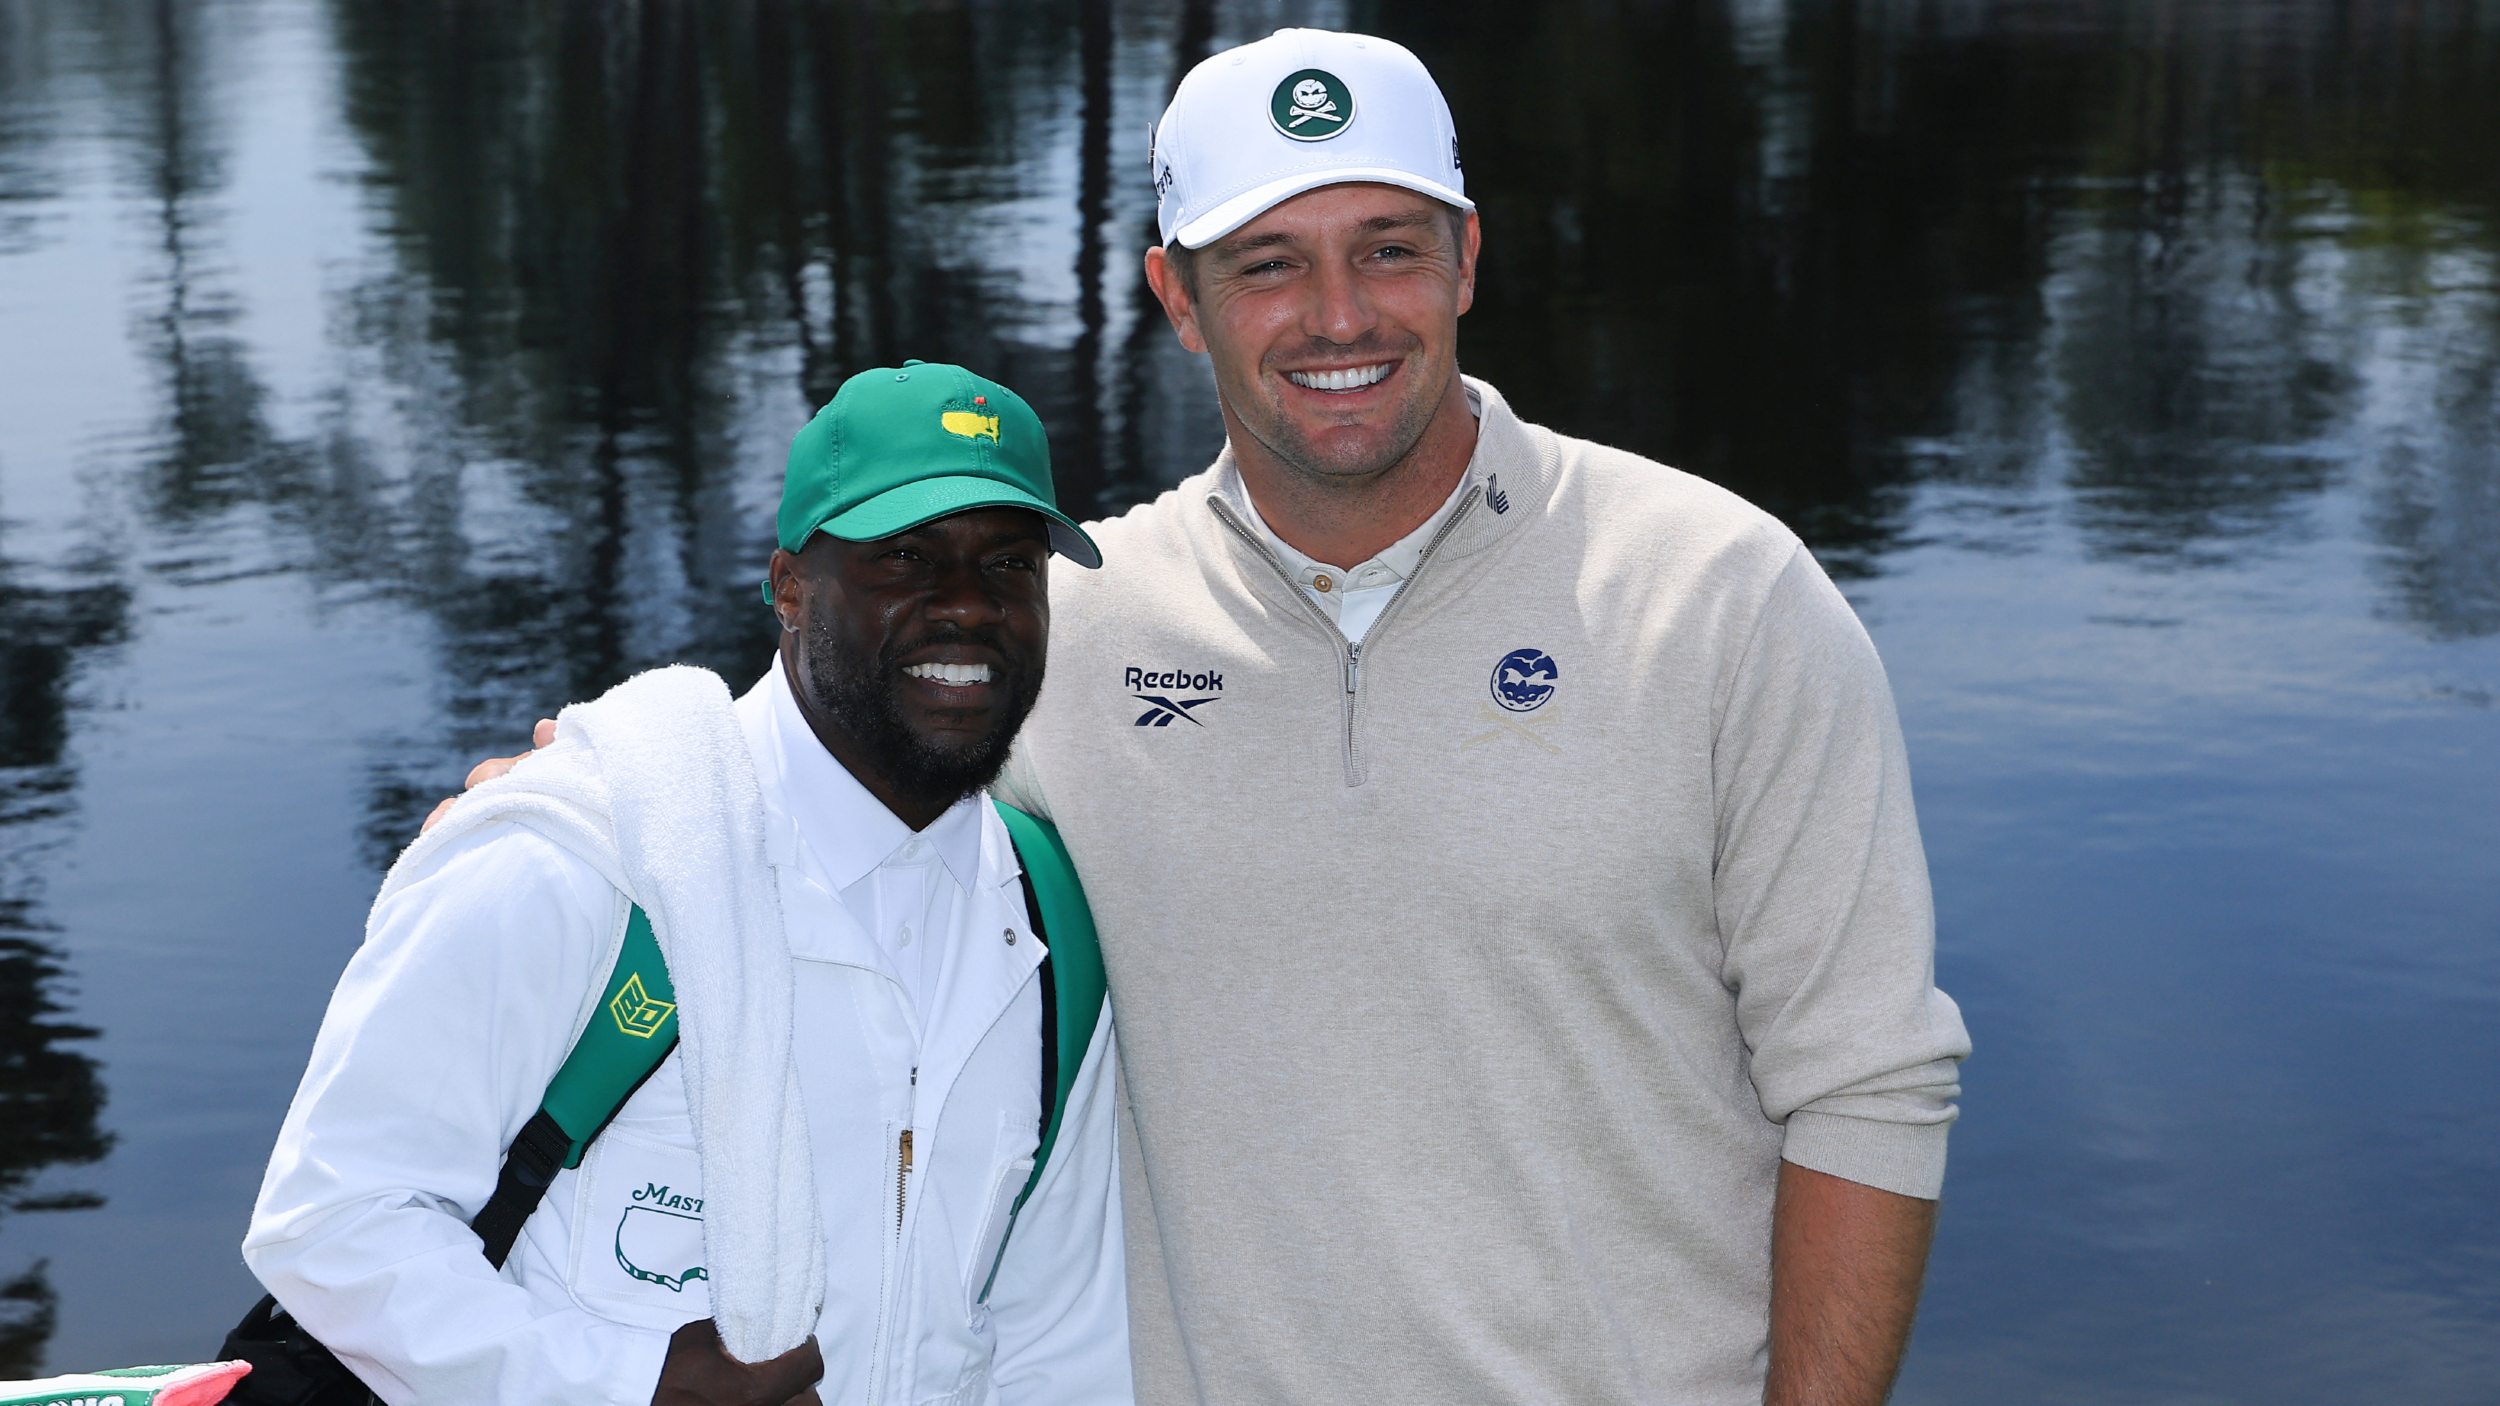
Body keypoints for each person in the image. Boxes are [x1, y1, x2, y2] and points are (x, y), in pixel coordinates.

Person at [448, 29, 1970, 1406]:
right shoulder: (1077, 628)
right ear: (1177, 296)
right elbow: (798, 783)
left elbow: (1865, 1084)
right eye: (1267, 264)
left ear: (1467, 261)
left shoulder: (1723, 596)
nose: (1336, 316)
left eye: (1387, 250)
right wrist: (581, 801)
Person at [250, 363, 1131, 1406]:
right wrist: (630, 1387)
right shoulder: (580, 862)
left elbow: (1054, 1338)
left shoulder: (1053, 925)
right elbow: (333, 1219)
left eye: (1009, 563)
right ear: (790, 586)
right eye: (907, 556)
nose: (970, 607)